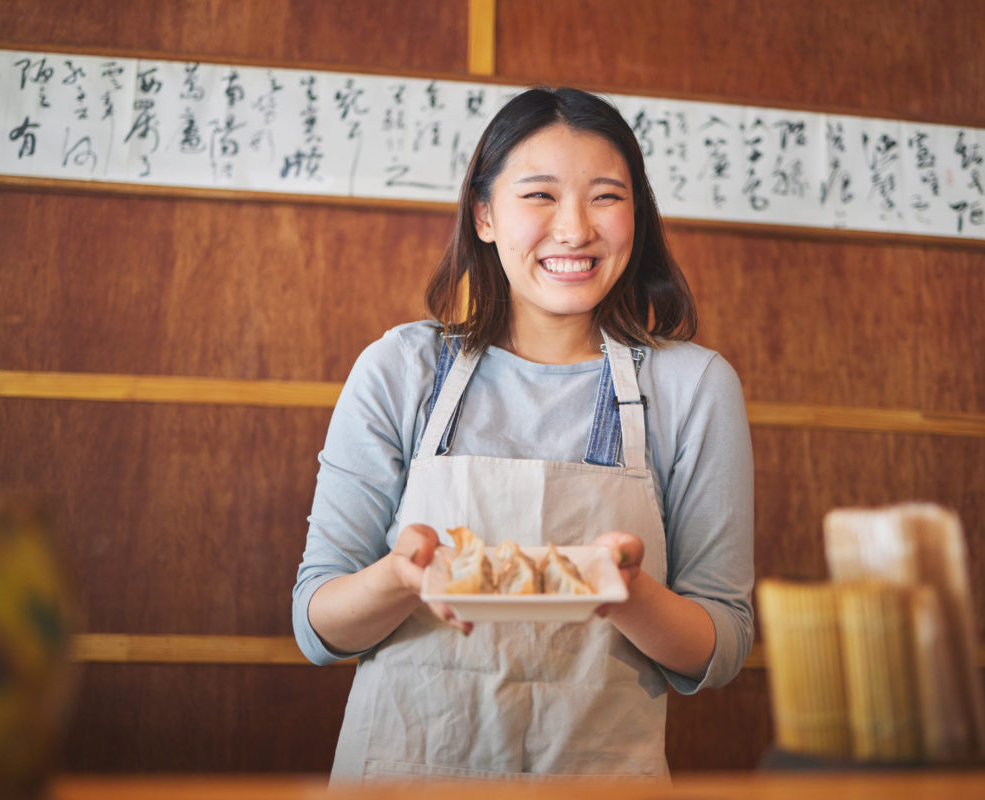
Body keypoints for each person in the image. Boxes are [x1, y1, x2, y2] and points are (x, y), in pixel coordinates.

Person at [292, 86, 754, 783]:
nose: (574, 230)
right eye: (539, 196)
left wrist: (626, 591)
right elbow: (317, 624)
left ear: (638, 215)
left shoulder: (694, 388)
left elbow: (720, 646)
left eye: (605, 196)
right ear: (483, 214)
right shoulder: (400, 370)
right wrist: (401, 577)